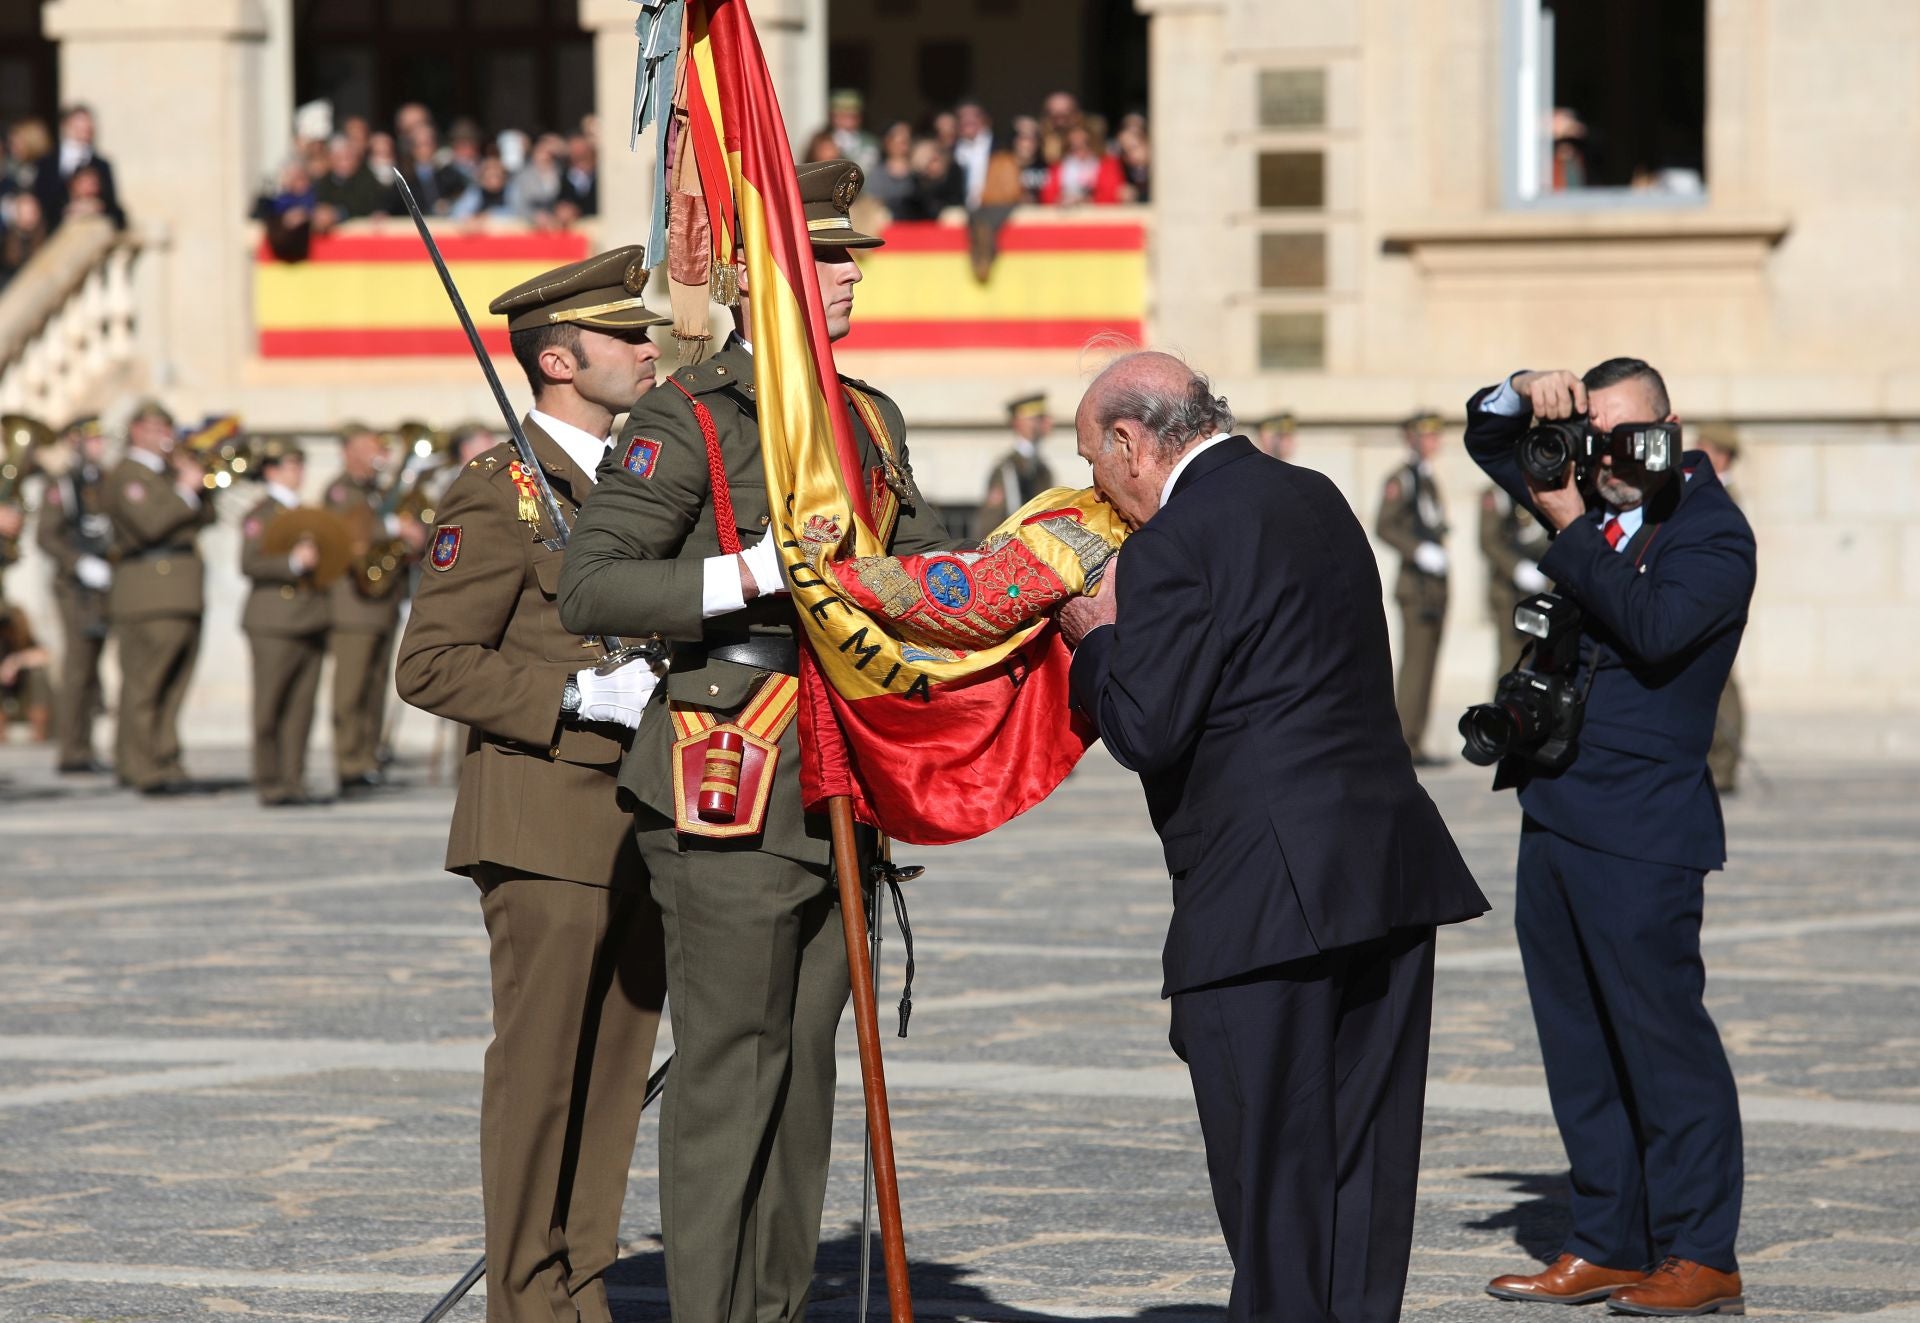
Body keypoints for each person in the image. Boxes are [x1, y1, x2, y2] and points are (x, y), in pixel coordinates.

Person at [557, 160, 954, 1323]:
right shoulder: (694, 412)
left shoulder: (865, 414)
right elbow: (595, 585)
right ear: (756, 276)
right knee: (732, 1065)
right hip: (733, 760)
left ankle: (778, 1308)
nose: (846, 277)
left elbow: (910, 573)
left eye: (849, 260)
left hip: (844, 764)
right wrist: (752, 573)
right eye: (821, 257)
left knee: (808, 1063)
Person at [1057, 351, 1488, 1323]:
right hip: (1386, 873)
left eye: (1094, 463)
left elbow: (1146, 726)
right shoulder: (1317, 495)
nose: (1099, 490)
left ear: (1132, 443)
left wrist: (1097, 641)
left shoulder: (1177, 538)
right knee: (1363, 1179)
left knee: (1273, 1193)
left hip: (1264, 904)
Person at [395, 244, 671, 1323]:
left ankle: (582, 1283)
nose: (650, 349)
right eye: (627, 336)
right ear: (560, 359)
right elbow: (431, 664)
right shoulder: (498, 490)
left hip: (641, 815)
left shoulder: (636, 481)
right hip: (544, 819)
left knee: (612, 1075)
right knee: (543, 1073)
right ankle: (526, 1297)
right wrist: (569, 699)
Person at [1468, 361, 1752, 1315]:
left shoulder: (1713, 532)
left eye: (1632, 437)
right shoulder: (1589, 484)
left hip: (1642, 828)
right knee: (1578, 1045)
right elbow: (1487, 437)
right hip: (1555, 810)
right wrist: (1521, 392)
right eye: (1596, 437)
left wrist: (1568, 522)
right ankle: (1608, 1238)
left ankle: (1702, 1249)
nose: (1610, 458)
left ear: (1672, 428)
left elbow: (1655, 626)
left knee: (1663, 1044)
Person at [101, 401, 213, 793]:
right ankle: (138, 764)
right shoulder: (128, 475)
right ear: (135, 431)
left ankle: (165, 758)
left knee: (174, 685)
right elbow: (151, 525)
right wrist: (185, 488)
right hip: (149, 592)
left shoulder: (167, 473)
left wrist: (201, 483)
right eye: (155, 428)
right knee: (144, 684)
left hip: (181, 590)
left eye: (168, 427)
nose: (165, 436)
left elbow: (204, 518)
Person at [324, 424, 424, 793]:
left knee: (375, 687)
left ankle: (367, 759)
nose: (378, 453)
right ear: (348, 450)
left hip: (381, 603)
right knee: (350, 692)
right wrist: (395, 525)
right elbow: (351, 532)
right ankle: (348, 765)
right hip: (353, 605)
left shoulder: (375, 492)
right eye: (370, 447)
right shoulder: (341, 490)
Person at [238, 441, 329, 807]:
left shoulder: (306, 512)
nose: (297, 472)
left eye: (299, 465)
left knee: (302, 706)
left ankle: (294, 778)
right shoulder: (261, 513)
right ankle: (270, 780)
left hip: (310, 616)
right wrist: (292, 563)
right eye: (289, 465)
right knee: (271, 704)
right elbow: (249, 562)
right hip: (273, 618)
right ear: (271, 471)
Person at [35, 415, 114, 772]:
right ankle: (72, 749)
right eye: (92, 440)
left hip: (106, 582)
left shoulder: (106, 481)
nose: (99, 447)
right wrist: (78, 562)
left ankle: (86, 744)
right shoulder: (63, 483)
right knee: (78, 666)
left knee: (94, 667)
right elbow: (47, 535)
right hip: (75, 587)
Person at [1375, 410, 1450, 764]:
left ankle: (1416, 741)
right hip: (1415, 585)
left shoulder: (1428, 479)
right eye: (1427, 435)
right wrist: (1418, 550)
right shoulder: (1402, 479)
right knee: (1415, 666)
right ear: (1412, 438)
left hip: (1434, 585)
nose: (1434, 441)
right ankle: (1404, 742)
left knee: (1429, 664)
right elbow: (1385, 525)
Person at [1696, 423, 1745, 794]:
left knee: (1722, 682)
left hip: (1715, 599)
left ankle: (1724, 766)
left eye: (1705, 448)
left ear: (1722, 455)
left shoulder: (1724, 495)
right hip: (1704, 596)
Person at [1478, 485, 1552, 682]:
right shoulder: (1497, 493)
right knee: (1511, 661)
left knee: (1536, 663)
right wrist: (1516, 568)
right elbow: (1488, 541)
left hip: (1542, 590)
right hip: (1509, 591)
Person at [973, 392, 1056, 539]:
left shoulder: (1043, 469)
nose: (1048, 422)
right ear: (1019, 423)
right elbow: (990, 524)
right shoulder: (1007, 468)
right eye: (1038, 418)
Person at [32, 104, 123, 230]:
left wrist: (96, 207)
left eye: (87, 126)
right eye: (79, 125)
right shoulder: (47, 163)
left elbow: (113, 207)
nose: (84, 129)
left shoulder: (102, 165)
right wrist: (68, 209)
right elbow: (40, 200)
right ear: (66, 126)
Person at [1040, 123, 1125, 206]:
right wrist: (1061, 200)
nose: (1080, 149)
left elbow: (1112, 195)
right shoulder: (1057, 167)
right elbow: (1047, 197)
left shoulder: (1108, 164)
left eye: (1085, 143)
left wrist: (1085, 200)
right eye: (1074, 146)